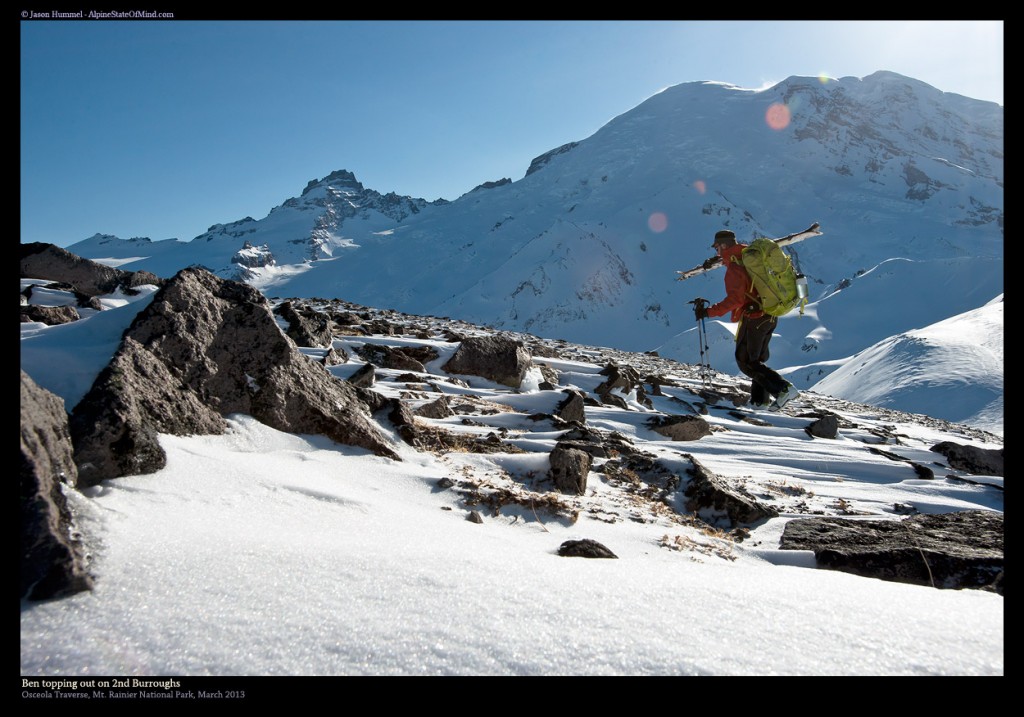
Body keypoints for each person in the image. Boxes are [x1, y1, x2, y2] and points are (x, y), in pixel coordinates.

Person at [694, 229, 799, 410]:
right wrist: (719, 260)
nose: (716, 251)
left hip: (754, 317)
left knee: (746, 361)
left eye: (717, 248)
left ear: (724, 245)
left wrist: (709, 312)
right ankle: (760, 402)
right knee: (756, 359)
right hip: (770, 314)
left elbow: (736, 299)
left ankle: (784, 389)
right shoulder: (747, 254)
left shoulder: (734, 268)